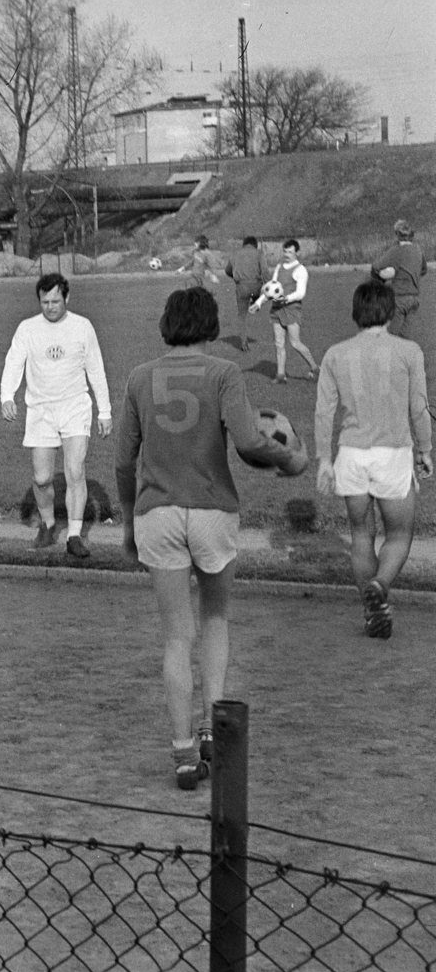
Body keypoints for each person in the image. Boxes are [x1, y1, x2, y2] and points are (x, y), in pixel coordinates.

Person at [115, 288, 304, 790]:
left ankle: (181, 753)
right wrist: (289, 458)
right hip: (211, 509)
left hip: (156, 512)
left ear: (167, 324)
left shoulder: (138, 377)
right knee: (215, 619)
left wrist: (130, 523)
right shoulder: (224, 373)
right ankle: (211, 732)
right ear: (211, 326)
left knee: (176, 637)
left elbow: (121, 460)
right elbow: (246, 441)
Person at [314, 281, 433, 639]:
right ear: (391, 310)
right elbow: (419, 408)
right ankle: (380, 586)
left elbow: (324, 412)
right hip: (393, 453)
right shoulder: (409, 350)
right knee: (399, 534)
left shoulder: (335, 354)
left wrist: (324, 459)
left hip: (351, 455)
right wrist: (425, 450)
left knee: (360, 535)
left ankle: (372, 613)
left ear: (356, 312)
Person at [0, 272, 112, 558]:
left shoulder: (82, 327)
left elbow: (96, 369)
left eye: (55, 301)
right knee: (41, 478)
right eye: (45, 301)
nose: (50, 306)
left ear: (67, 298)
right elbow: (14, 362)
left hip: (75, 407)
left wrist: (105, 411)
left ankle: (74, 535)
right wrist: (7, 397)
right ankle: (48, 524)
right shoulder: (27, 328)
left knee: (75, 471)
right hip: (40, 410)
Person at [259, 239, 321, 384]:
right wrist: (258, 303)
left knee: (295, 343)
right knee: (279, 343)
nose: (287, 255)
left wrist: (285, 299)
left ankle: (315, 368)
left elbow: (301, 293)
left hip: (292, 310)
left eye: (290, 252)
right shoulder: (279, 267)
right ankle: (281, 375)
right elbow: (271, 288)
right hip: (277, 310)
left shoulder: (300, 270)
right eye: (285, 251)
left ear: (297, 253)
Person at [372, 219, 427, 341]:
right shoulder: (417, 249)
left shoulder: (395, 251)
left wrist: (384, 278)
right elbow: (423, 270)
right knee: (406, 338)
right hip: (414, 299)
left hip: (399, 299)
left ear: (397, 234)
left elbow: (376, 267)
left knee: (390, 336)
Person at [223, 235, 263, 351]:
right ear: (255, 245)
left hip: (241, 286)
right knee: (257, 297)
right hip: (256, 285)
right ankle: (256, 302)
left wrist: (235, 278)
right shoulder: (259, 253)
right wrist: (266, 284)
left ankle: (244, 343)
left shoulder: (235, 253)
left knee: (242, 316)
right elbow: (264, 271)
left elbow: (227, 270)